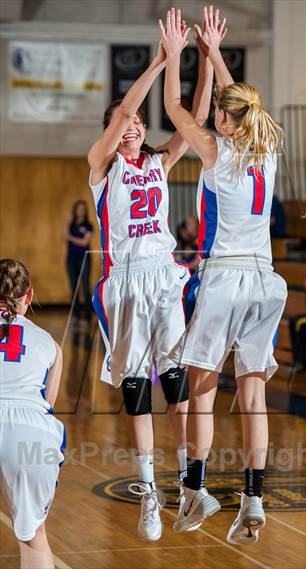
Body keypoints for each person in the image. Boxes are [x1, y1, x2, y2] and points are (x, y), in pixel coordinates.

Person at [160, 6, 288, 545]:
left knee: (203, 389)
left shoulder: (214, 151)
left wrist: (176, 58)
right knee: (254, 396)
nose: (212, 113)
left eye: (218, 110)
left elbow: (171, 106)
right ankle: (254, 498)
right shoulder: (268, 150)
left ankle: (196, 488)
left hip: (227, 278)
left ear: (226, 121)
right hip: (268, 281)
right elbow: (243, 103)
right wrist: (214, 53)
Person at [87, 24, 214, 541]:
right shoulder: (100, 167)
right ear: (115, 133)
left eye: (141, 121)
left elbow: (197, 119)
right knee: (137, 393)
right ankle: (149, 494)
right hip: (125, 284)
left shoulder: (161, 162)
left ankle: (187, 484)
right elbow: (119, 113)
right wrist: (161, 61)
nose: (135, 125)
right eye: (128, 122)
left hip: (163, 278)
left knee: (177, 388)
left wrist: (203, 57)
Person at [0, 259, 65, 569]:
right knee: (32, 535)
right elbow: (48, 404)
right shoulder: (50, 344)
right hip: (30, 427)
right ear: (29, 295)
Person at [65, 200, 93, 325]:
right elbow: (64, 235)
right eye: (78, 209)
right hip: (71, 260)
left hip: (84, 260)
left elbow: (84, 242)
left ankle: (87, 317)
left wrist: (70, 237)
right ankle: (75, 316)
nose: (80, 211)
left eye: (82, 209)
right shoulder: (71, 225)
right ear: (75, 211)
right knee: (74, 288)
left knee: (85, 287)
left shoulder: (88, 225)